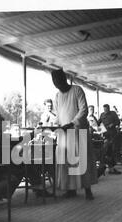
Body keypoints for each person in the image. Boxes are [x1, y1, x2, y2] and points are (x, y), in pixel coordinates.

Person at [0, 114, 52, 199]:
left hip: (3, 165)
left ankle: (39, 189)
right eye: (3, 123)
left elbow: (18, 141)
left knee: (26, 164)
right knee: (25, 166)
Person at [51, 69, 97, 200]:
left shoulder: (77, 90)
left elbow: (84, 110)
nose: (56, 84)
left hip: (78, 131)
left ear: (64, 79)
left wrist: (72, 123)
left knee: (82, 161)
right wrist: (55, 126)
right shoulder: (57, 96)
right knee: (66, 163)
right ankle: (71, 189)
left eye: (58, 80)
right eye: (54, 82)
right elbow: (59, 115)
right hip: (64, 134)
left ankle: (88, 190)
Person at [98, 104, 122, 174]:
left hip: (112, 134)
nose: (105, 111)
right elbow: (98, 122)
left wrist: (113, 124)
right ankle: (109, 167)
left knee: (113, 150)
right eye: (104, 109)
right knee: (106, 150)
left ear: (109, 108)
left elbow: (118, 121)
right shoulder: (102, 115)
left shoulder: (113, 114)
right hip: (105, 135)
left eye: (106, 109)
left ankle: (111, 167)